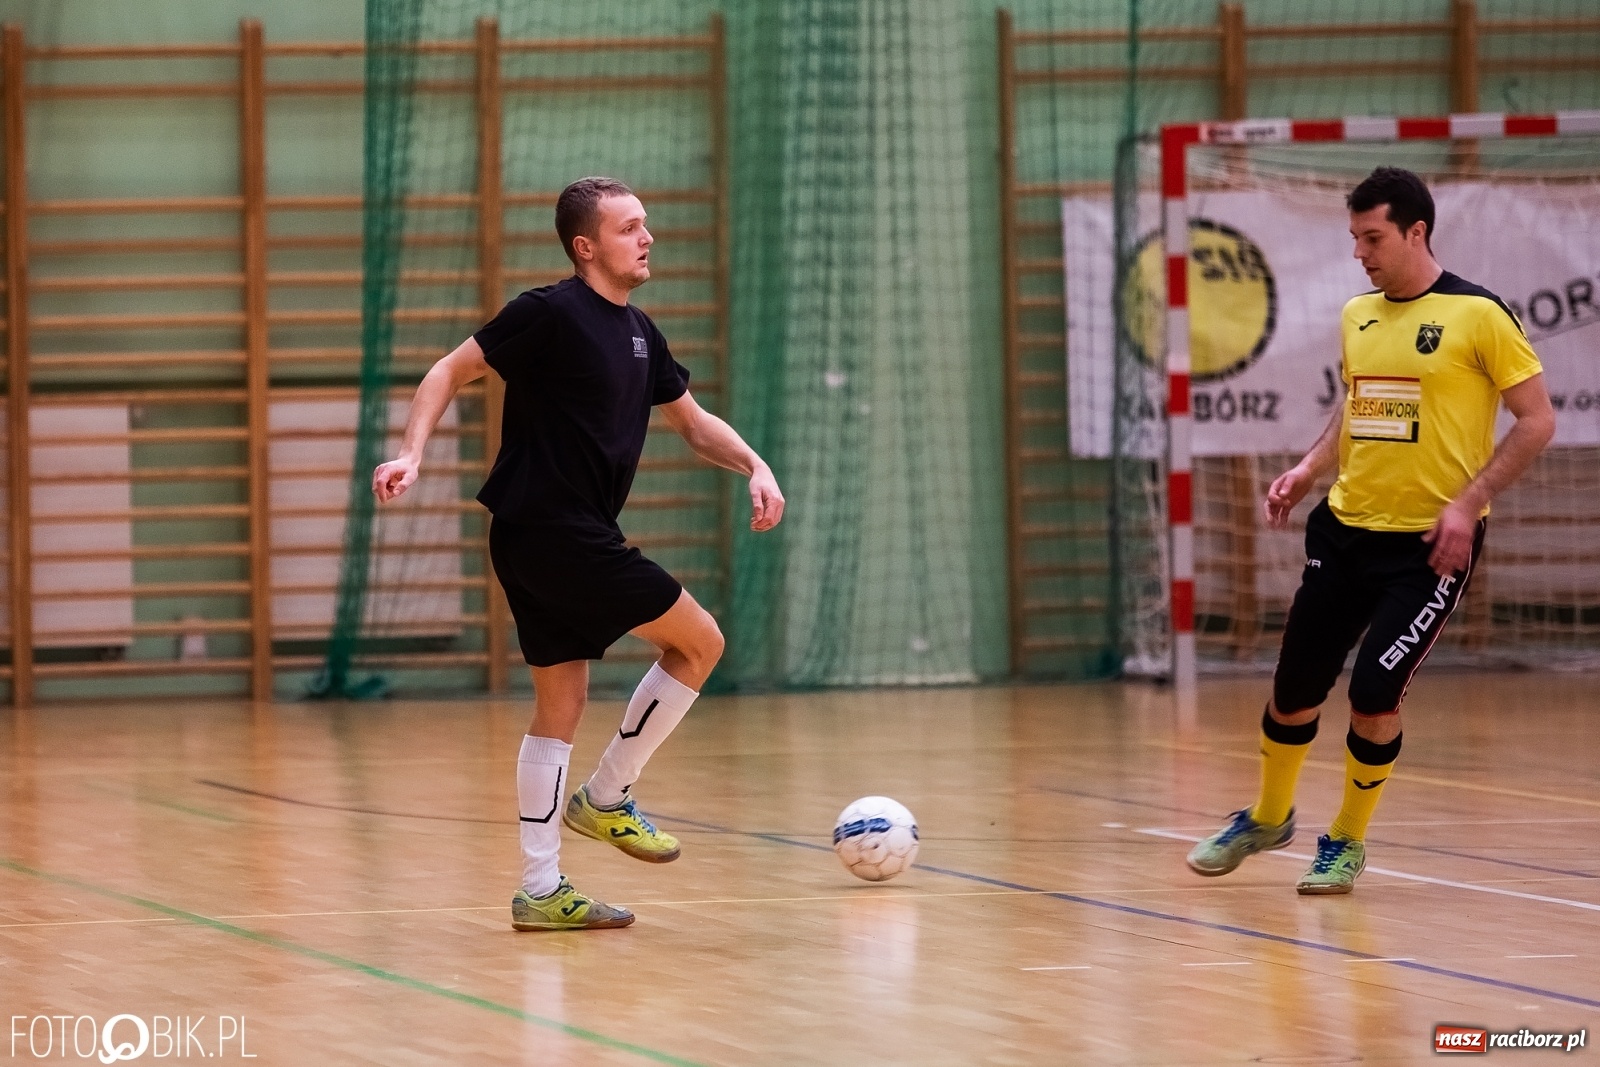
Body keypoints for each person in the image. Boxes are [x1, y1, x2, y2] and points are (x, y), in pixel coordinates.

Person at [374, 176, 784, 930]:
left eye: (646, 224)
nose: (647, 236)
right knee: (699, 642)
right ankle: (606, 797)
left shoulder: (640, 332)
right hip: (554, 529)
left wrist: (755, 464)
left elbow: (694, 426)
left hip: (540, 534)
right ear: (586, 245)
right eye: (630, 227)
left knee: (559, 704)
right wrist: (413, 453)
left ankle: (540, 888)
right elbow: (448, 370)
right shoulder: (550, 312)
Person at [1185, 166, 1555, 894]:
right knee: (1293, 690)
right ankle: (1267, 815)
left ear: (1418, 231)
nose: (1360, 251)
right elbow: (1355, 408)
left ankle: (1346, 840)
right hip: (1345, 531)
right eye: (1354, 237)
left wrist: (1467, 500)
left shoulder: (1480, 316)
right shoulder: (1357, 314)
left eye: (1374, 236)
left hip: (1428, 547)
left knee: (1375, 692)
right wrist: (1308, 467)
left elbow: (1538, 421)